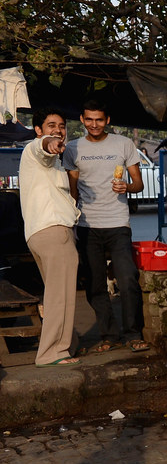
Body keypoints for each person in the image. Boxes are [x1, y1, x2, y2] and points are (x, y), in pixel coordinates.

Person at [63, 99, 150, 353]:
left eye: (99, 120)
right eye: (89, 119)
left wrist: (127, 187)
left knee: (128, 279)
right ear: (82, 119)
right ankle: (109, 335)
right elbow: (73, 190)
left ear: (107, 120)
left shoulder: (123, 144)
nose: (94, 124)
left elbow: (138, 184)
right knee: (95, 284)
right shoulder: (73, 148)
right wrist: (70, 222)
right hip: (87, 225)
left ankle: (133, 333)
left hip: (117, 223)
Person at [18, 107, 80, 366]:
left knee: (56, 292)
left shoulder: (54, 162)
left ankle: (65, 345)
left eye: (62, 126)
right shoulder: (35, 149)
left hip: (41, 232)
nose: (58, 130)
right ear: (38, 129)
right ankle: (52, 352)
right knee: (61, 293)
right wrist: (50, 142)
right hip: (53, 230)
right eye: (51, 125)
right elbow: (42, 147)